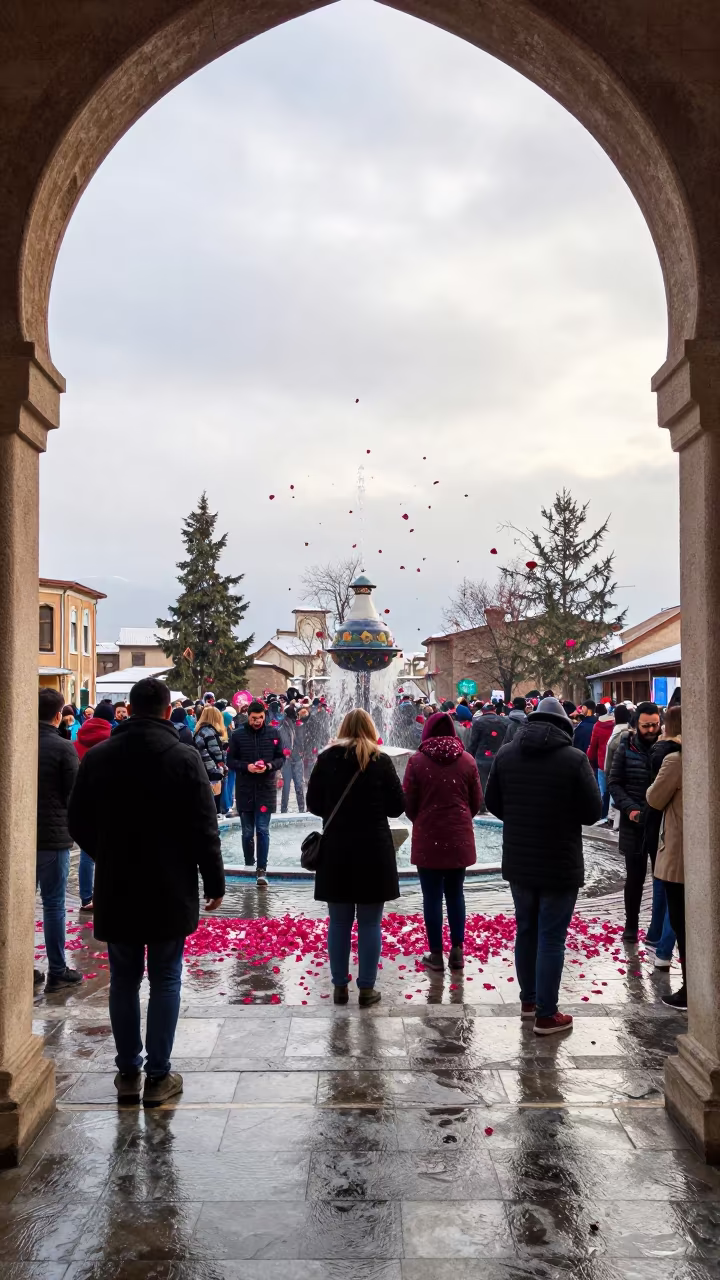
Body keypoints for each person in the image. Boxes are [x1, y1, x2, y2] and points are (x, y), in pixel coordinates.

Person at [68, 677, 225, 1106]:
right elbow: (203, 826)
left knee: (122, 979)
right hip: (169, 884)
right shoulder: (183, 756)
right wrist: (214, 881)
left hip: (118, 882)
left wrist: (105, 852)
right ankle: (158, 1075)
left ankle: (126, 1072)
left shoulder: (100, 757)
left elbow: (77, 820)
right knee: (166, 978)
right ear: (165, 710)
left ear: (130, 709)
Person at [485, 697, 601, 1034]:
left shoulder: (507, 754)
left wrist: (519, 818)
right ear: (563, 727)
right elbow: (593, 811)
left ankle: (529, 1001)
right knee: (551, 938)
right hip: (559, 861)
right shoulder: (574, 760)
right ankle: (546, 1015)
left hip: (520, 861)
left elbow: (492, 801)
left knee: (526, 930)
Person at [307, 709, 405, 1005]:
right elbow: (397, 807)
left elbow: (312, 804)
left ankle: (339, 986)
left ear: (343, 728)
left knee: (338, 923)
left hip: (337, 848)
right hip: (374, 850)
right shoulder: (381, 761)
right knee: (370, 923)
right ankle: (366, 988)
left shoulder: (327, 759)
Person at [403, 712, 482, 971]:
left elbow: (409, 804)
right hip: (458, 836)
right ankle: (457, 951)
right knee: (456, 893)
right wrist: (459, 820)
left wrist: (423, 819)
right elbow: (476, 802)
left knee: (432, 897)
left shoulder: (417, 762)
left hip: (428, 837)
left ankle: (436, 954)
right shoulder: (467, 761)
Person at [36, 688, 82, 991]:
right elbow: (74, 795)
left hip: (20, 839)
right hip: (53, 839)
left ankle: (19, 968)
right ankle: (56, 969)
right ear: (58, 715)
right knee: (53, 904)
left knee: (17, 905)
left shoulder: (17, 742)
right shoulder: (64, 748)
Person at [608, 701, 662, 942]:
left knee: (662, 878)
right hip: (634, 821)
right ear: (636, 724)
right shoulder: (625, 746)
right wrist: (629, 808)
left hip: (661, 822)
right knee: (635, 876)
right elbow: (614, 782)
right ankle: (631, 924)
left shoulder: (667, 746)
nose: (651, 730)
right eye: (645, 726)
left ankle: (658, 927)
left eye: (655, 725)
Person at [646, 717, 685, 1009]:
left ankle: (690, 986)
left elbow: (654, 798)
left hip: (679, 848)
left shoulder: (674, 759)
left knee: (681, 918)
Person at [227, 700, 285, 886]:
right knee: (246, 832)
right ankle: (249, 864)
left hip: (265, 789)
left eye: (260, 718)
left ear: (265, 716)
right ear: (248, 716)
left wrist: (268, 766)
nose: (258, 721)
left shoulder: (273, 733)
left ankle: (261, 869)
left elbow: (281, 757)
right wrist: (247, 767)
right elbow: (230, 761)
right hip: (245, 790)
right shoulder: (238, 735)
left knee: (262, 830)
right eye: (254, 718)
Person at [642, 704, 682, 969]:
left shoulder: (669, 754)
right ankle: (658, 940)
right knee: (666, 889)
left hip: (668, 830)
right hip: (669, 830)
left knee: (669, 891)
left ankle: (662, 946)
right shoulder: (676, 752)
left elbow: (654, 796)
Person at [74, 701, 115, 910]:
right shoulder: (113, 740)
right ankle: (105, 896)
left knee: (85, 854)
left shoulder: (78, 737)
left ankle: (86, 897)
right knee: (111, 851)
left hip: (84, 800)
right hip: (107, 802)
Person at [468, 702, 508, 800]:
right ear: (494, 710)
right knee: (498, 782)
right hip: (500, 756)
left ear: (483, 711)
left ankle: (482, 804)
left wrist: (470, 756)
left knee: (482, 781)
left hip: (482, 756)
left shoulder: (478, 722)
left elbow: (473, 742)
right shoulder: (504, 721)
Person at [193, 706, 228, 815]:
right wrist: (223, 767)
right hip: (211, 769)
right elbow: (216, 752)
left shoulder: (200, 730)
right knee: (214, 797)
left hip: (202, 767)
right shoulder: (209, 732)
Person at [587, 702, 616, 822]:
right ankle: (613, 815)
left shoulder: (598, 726)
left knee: (604, 791)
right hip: (616, 764)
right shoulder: (616, 725)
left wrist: (590, 758)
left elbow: (593, 746)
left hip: (602, 763)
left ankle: (604, 815)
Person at [279, 702, 306, 812]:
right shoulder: (282, 727)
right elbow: (279, 742)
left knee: (298, 785)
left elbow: (302, 740)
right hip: (287, 760)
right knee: (286, 787)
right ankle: (284, 809)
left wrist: (302, 750)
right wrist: (284, 751)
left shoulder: (299, 726)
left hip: (296, 759)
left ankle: (301, 809)